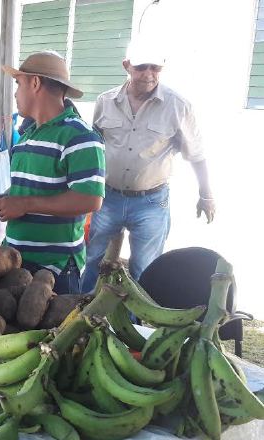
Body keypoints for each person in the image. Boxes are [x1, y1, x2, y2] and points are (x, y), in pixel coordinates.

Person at [80, 41, 215, 293]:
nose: (148, 74)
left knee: (145, 268)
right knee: (93, 259)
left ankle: (134, 325)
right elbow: (93, 148)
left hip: (151, 202)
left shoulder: (178, 106)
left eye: (155, 68)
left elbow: (196, 155)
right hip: (107, 197)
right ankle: (80, 313)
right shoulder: (105, 101)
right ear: (127, 66)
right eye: (142, 67)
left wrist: (206, 195)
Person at [0, 51, 105, 294]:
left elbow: (90, 199)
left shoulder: (80, 137)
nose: (15, 93)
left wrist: (25, 204)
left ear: (35, 83)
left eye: (19, 83)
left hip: (55, 270)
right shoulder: (27, 136)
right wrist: (1, 200)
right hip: (14, 259)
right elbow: (31, 187)